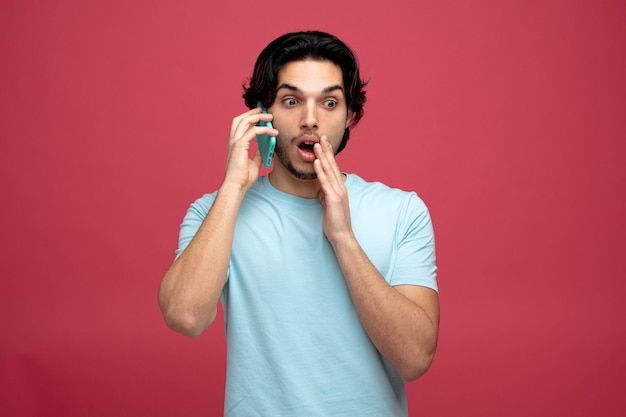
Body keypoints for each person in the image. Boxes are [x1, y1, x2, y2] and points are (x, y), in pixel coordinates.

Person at [158, 30, 439, 416]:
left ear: (349, 115)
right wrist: (233, 186)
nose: (310, 120)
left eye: (329, 102)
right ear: (262, 114)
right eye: (291, 101)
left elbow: (415, 358)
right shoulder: (214, 213)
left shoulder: (403, 211)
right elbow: (184, 316)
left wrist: (343, 238)